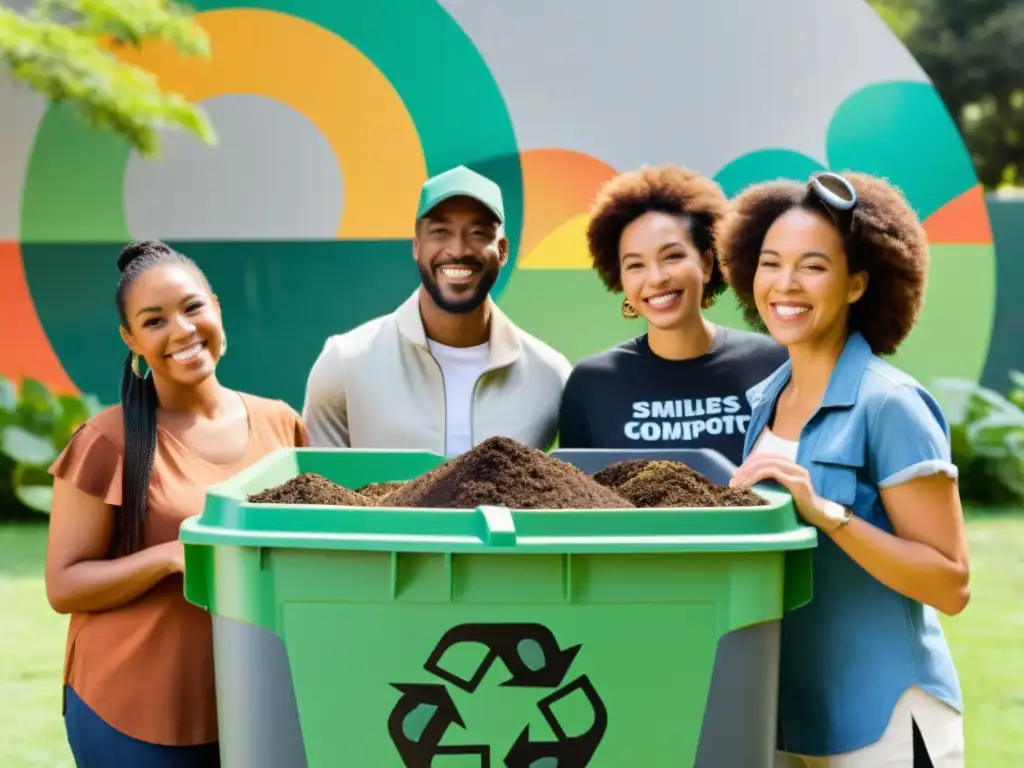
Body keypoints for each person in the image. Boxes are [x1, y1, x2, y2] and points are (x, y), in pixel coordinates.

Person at [718, 171, 969, 767]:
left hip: (883, 720)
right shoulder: (765, 403)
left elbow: (951, 584)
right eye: (771, 263)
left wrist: (828, 513)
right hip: (785, 718)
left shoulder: (891, 404)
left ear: (857, 283)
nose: (785, 284)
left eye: (813, 266)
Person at [44, 240, 308, 767]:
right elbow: (64, 584)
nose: (183, 331)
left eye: (192, 308)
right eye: (154, 320)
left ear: (215, 305)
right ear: (131, 339)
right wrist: (170, 558)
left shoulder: (283, 424)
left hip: (259, 703)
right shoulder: (107, 441)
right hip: (133, 713)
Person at [303, 164, 572, 455]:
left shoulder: (550, 376)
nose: (458, 249)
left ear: (503, 250)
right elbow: (319, 494)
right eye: (441, 231)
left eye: (478, 232)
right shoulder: (345, 363)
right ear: (416, 247)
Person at [557, 164, 788, 466]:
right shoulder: (591, 383)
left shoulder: (774, 364)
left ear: (707, 264)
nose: (655, 278)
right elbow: (577, 504)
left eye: (672, 257)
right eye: (635, 265)